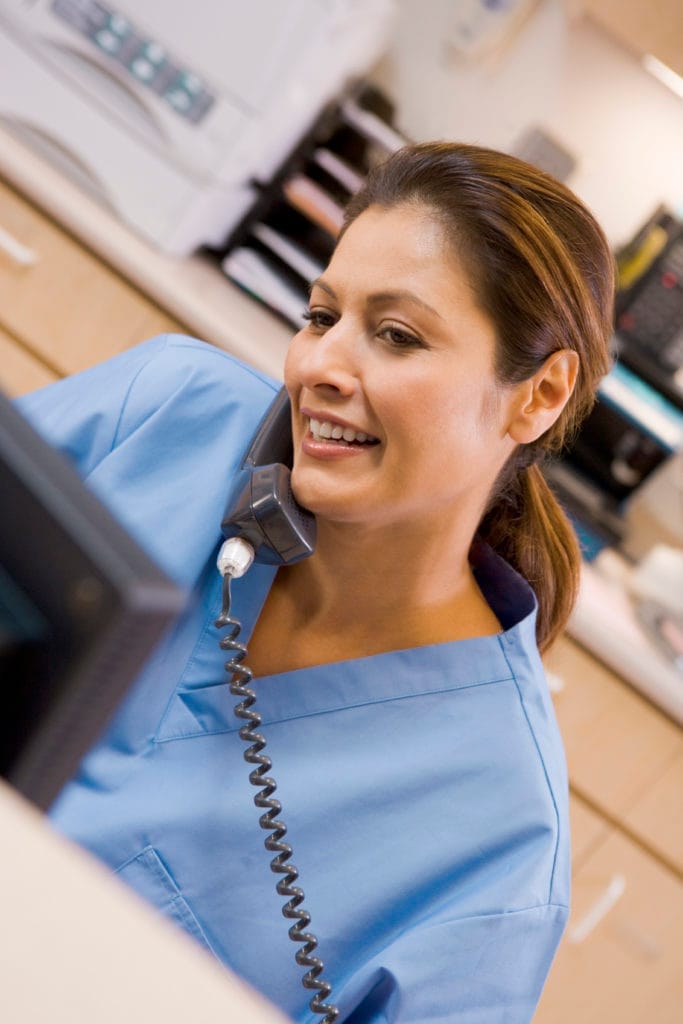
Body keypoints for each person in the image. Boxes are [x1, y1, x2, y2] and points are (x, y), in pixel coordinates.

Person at [18, 141, 614, 1023]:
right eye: (320, 316)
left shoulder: (498, 843)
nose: (320, 368)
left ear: (538, 393)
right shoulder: (166, 410)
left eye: (396, 335)